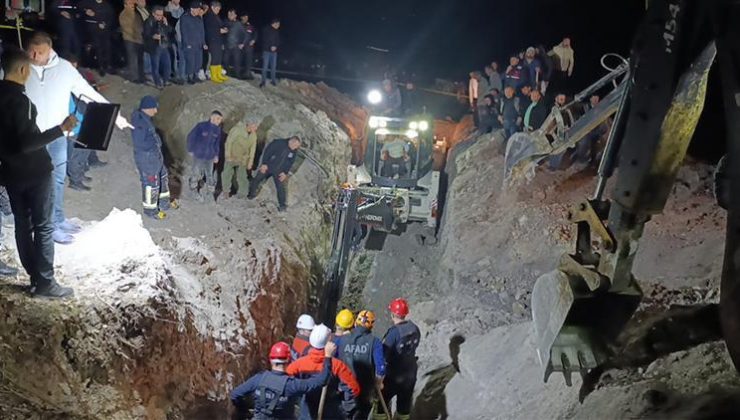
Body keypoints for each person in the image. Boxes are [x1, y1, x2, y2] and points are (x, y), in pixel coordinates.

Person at [25, 32, 130, 245]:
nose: (35, 56)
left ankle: (58, 218)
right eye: (32, 51)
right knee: (42, 183)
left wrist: (115, 116)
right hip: (32, 137)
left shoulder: (64, 69)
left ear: (50, 49)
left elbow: (87, 92)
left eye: (40, 52)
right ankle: (48, 227)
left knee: (57, 179)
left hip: (57, 136)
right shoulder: (20, 67)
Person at [0, 47, 78, 298]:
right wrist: (61, 129)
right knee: (44, 226)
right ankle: (45, 283)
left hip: (11, 173)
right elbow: (26, 142)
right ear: (23, 70)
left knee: (24, 226)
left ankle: (36, 277)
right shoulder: (19, 101)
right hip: (34, 171)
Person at [231, 340, 337, 420]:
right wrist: (327, 357)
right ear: (289, 360)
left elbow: (235, 395)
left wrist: (244, 410)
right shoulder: (292, 385)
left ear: (271, 360)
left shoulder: (258, 379)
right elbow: (322, 380)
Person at [287, 324, 361, 420]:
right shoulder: (337, 365)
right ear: (329, 342)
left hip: (306, 408)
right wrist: (345, 407)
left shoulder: (299, 364)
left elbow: (286, 383)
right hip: (331, 408)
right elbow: (354, 389)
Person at [374, 299, 421, 420]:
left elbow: (384, 355)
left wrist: (379, 378)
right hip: (410, 374)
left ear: (393, 314)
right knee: (404, 407)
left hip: (394, 375)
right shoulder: (414, 328)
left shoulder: (393, 333)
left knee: (381, 404)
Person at [131, 96, 177, 220]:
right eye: (154, 108)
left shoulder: (146, 119)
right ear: (147, 108)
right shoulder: (140, 123)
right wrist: (154, 145)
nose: (156, 111)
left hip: (155, 156)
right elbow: (139, 143)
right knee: (151, 183)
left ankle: (164, 202)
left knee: (163, 176)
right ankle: (151, 211)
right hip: (147, 158)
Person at [337, 310, 386, 420]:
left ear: (355, 323)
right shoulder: (375, 342)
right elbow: (381, 368)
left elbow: (332, 359)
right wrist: (378, 383)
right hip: (364, 390)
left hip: (344, 388)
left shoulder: (341, 340)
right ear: (371, 326)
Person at [247, 136, 301, 212]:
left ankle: (282, 206)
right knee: (257, 180)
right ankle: (250, 195)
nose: (295, 148)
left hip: (279, 171)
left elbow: (290, 162)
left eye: (297, 146)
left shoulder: (293, 151)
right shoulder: (278, 143)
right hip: (268, 166)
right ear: (291, 141)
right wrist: (264, 164)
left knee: (280, 188)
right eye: (295, 145)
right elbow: (268, 152)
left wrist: (285, 173)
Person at [186, 111, 223, 202]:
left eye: (220, 120)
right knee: (196, 173)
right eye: (218, 119)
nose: (219, 121)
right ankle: (193, 191)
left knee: (210, 175)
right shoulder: (201, 126)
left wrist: (216, 155)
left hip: (210, 156)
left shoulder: (218, 130)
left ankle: (210, 194)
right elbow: (191, 136)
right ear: (212, 117)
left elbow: (217, 144)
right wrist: (190, 149)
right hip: (199, 155)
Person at [220, 119, 257, 199]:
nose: (256, 128)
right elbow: (229, 142)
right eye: (254, 126)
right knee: (227, 173)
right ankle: (226, 191)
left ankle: (243, 193)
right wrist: (228, 155)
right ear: (249, 125)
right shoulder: (237, 130)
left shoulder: (253, 136)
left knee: (242, 175)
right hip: (232, 155)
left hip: (242, 158)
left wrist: (250, 162)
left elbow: (252, 150)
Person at [79, 0, 115, 76]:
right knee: (98, 49)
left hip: (105, 30)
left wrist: (105, 24)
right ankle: (101, 67)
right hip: (94, 30)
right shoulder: (89, 3)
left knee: (107, 48)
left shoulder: (107, 5)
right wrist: (86, 11)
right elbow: (80, 7)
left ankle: (108, 66)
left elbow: (111, 17)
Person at [143, 5, 173, 89]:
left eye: (161, 15)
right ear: (153, 14)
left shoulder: (162, 21)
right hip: (154, 47)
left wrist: (166, 23)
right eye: (158, 15)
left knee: (167, 64)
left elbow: (170, 30)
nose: (160, 17)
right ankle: (158, 83)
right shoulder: (148, 22)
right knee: (155, 66)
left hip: (164, 45)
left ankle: (165, 80)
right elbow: (145, 34)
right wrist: (153, 36)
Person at [180, 1, 206, 84]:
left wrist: (204, 43)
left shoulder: (199, 18)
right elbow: (184, 32)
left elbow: (202, 32)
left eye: (199, 9)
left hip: (198, 44)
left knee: (198, 61)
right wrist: (187, 44)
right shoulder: (185, 17)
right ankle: (189, 77)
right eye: (198, 9)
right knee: (190, 62)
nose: (199, 11)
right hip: (190, 45)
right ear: (192, 9)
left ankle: (195, 76)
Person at [119, 0, 146, 84]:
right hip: (130, 39)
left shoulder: (136, 13)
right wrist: (139, 35)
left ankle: (141, 76)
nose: (132, 5)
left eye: (132, 3)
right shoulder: (123, 15)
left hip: (139, 39)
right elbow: (127, 29)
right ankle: (134, 77)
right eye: (130, 3)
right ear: (125, 5)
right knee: (132, 58)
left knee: (140, 59)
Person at [204, 1, 228, 83]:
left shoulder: (216, 16)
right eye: (217, 9)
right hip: (212, 41)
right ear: (212, 7)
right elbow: (209, 29)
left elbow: (221, 25)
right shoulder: (209, 16)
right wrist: (220, 31)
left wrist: (224, 28)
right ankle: (214, 76)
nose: (218, 10)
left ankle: (218, 74)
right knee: (214, 58)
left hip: (218, 40)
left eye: (219, 9)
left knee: (218, 57)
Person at [224, 8, 247, 79]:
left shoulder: (239, 24)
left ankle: (237, 75)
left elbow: (245, 35)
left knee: (237, 61)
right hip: (227, 46)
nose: (230, 15)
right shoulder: (225, 22)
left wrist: (243, 43)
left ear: (235, 15)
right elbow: (221, 34)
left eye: (232, 14)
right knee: (225, 60)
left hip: (236, 46)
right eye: (229, 14)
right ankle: (227, 74)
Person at [260, 18, 280, 87]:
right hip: (266, 51)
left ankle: (273, 81)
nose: (278, 25)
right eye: (278, 24)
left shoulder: (277, 31)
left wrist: (276, 46)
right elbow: (264, 40)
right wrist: (270, 46)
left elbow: (278, 41)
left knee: (273, 67)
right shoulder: (266, 29)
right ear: (274, 23)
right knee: (265, 67)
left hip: (274, 52)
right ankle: (263, 81)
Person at [240, 13, 257, 79]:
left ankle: (247, 74)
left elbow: (255, 33)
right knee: (239, 60)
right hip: (240, 46)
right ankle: (238, 74)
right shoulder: (238, 24)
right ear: (241, 17)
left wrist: (253, 40)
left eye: (247, 18)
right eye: (245, 17)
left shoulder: (250, 26)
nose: (246, 19)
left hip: (249, 47)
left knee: (248, 61)